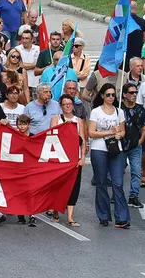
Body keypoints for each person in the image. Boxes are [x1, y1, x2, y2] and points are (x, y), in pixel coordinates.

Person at [88, 83, 130, 228]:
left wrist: (120, 134)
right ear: (102, 96)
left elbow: (123, 131)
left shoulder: (119, 112)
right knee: (101, 182)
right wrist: (109, 132)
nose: (111, 97)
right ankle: (104, 215)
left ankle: (122, 217)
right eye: (108, 95)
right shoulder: (96, 112)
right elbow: (91, 132)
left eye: (113, 95)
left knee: (118, 183)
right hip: (99, 149)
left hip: (115, 149)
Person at [55, 94, 88, 227]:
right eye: (65, 104)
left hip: (75, 158)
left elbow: (83, 140)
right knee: (59, 186)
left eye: (69, 103)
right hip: (59, 158)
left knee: (74, 186)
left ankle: (70, 216)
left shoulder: (78, 120)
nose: (67, 106)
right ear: (61, 106)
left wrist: (83, 157)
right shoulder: (56, 119)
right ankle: (56, 210)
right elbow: (52, 136)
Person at [119, 83, 145, 209]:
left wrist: (140, 141)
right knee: (118, 171)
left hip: (135, 145)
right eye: (131, 93)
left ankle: (133, 196)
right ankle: (117, 194)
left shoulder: (140, 109)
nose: (134, 95)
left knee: (136, 171)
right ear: (124, 94)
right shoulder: (119, 109)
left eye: (136, 92)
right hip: (121, 145)